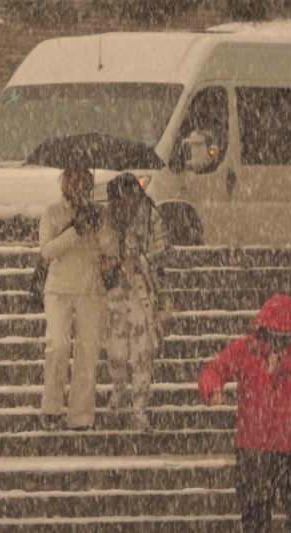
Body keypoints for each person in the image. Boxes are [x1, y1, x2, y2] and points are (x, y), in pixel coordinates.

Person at [198, 294, 291, 533]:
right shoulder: (246, 348)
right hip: (259, 447)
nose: (279, 341)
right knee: (256, 518)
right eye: (274, 335)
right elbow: (213, 369)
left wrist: (288, 363)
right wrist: (212, 388)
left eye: (285, 336)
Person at [39, 166, 116, 431]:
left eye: (85, 184)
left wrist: (97, 228)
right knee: (57, 346)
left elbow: (110, 250)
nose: (79, 189)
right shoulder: (52, 213)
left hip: (91, 290)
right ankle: (51, 408)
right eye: (74, 183)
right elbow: (47, 250)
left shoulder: (100, 214)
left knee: (87, 353)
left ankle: (81, 416)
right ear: (65, 185)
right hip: (58, 290)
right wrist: (75, 231)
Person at [104, 172, 169, 432]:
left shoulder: (150, 215)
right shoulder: (106, 218)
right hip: (113, 296)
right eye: (116, 200)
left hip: (142, 296)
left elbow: (164, 252)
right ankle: (119, 391)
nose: (120, 204)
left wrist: (138, 263)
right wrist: (106, 264)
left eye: (124, 198)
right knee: (115, 354)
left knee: (142, 356)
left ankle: (140, 409)